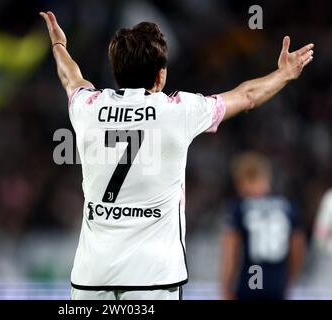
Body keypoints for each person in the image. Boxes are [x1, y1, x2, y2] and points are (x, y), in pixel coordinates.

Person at [39, 10, 313, 300]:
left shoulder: (88, 106)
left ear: (116, 72)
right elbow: (247, 96)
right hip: (154, 280)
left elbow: (71, 78)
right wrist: (284, 73)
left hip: (90, 279)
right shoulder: (179, 110)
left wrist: (59, 45)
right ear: (160, 75)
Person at [220, 152, 305, 300]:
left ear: (243, 179)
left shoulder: (240, 207)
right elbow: (298, 248)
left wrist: (225, 287)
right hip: (278, 284)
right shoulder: (288, 207)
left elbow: (230, 252)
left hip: (250, 281)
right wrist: (289, 280)